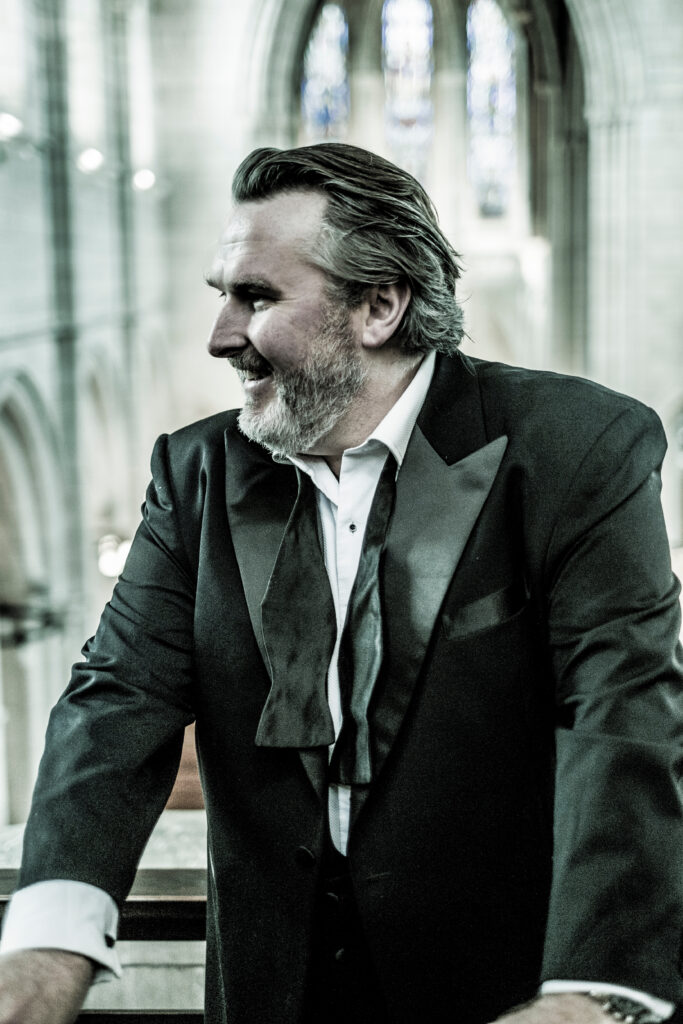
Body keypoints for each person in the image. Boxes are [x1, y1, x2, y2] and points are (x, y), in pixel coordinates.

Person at [0, 143, 681, 1024]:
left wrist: (596, 990)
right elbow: (118, 696)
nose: (220, 337)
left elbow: (622, 710)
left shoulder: (576, 446)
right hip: (273, 990)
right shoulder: (198, 471)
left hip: (498, 989)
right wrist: (48, 942)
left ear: (378, 306)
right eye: (221, 296)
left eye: (256, 297)